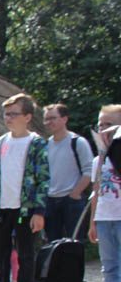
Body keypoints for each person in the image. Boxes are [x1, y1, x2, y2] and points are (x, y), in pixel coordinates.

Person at [0, 93, 49, 282]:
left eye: (13, 114)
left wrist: (39, 211)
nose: (8, 118)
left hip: (26, 207)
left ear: (27, 116)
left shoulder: (37, 143)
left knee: (25, 250)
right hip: (1, 206)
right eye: (6, 114)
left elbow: (43, 178)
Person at [81, 105, 121, 282]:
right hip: (105, 217)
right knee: (109, 264)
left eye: (109, 124)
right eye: (100, 124)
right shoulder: (98, 160)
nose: (103, 129)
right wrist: (93, 222)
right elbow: (96, 192)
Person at [44, 103, 93, 242]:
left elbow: (89, 171)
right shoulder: (46, 145)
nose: (49, 122)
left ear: (64, 119)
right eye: (46, 119)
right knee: (52, 243)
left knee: (75, 242)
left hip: (72, 200)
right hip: (51, 200)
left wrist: (75, 193)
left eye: (52, 118)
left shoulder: (77, 142)